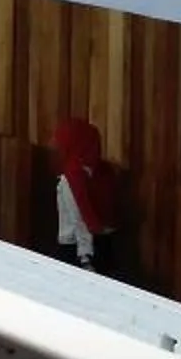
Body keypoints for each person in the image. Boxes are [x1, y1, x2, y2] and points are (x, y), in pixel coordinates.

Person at [52, 115, 117, 271]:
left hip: (84, 247)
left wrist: (85, 257)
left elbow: (81, 218)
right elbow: (81, 218)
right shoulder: (79, 176)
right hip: (88, 247)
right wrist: (86, 257)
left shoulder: (79, 175)